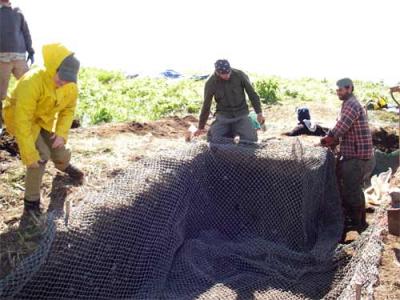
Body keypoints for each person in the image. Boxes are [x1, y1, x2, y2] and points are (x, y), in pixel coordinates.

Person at [2, 43, 84, 219]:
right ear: (53, 67)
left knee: (60, 152)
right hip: (20, 118)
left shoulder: (70, 86)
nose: (63, 82)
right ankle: (31, 203)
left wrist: (62, 133)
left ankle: (63, 165)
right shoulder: (32, 81)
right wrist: (28, 153)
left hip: (43, 120)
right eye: (60, 76)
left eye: (68, 79)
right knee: (40, 155)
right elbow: (22, 119)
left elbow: (68, 110)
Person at [321, 78, 375, 237]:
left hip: (357, 157)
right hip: (355, 154)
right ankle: (359, 222)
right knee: (354, 189)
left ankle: (356, 225)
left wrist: (325, 140)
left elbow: (340, 127)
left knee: (351, 191)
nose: (338, 92)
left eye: (341, 90)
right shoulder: (348, 103)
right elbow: (341, 126)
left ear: (349, 88)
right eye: (337, 90)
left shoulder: (351, 104)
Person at [194, 59, 265, 142]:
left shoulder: (240, 75)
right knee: (213, 139)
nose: (227, 75)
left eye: (228, 72)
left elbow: (252, 94)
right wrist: (200, 127)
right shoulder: (210, 82)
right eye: (224, 74)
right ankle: (231, 133)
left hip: (241, 115)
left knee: (251, 140)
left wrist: (259, 113)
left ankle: (236, 132)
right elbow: (206, 105)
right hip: (223, 117)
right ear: (217, 72)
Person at [0, 0, 34, 130]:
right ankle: (1, 126)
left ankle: (33, 120)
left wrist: (31, 51)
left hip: (19, 58)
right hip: (2, 60)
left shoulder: (18, 11)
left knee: (29, 87)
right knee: (0, 94)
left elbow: (26, 32)